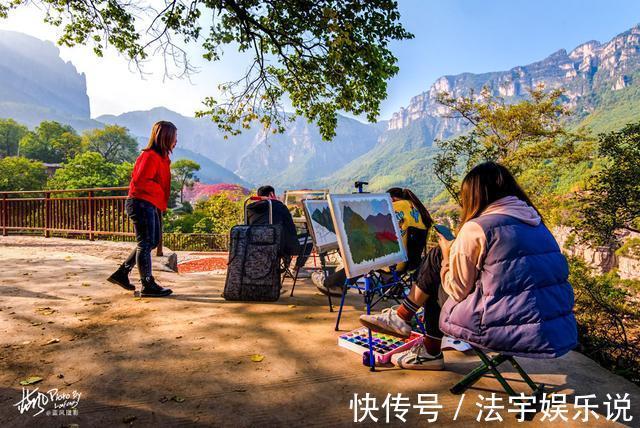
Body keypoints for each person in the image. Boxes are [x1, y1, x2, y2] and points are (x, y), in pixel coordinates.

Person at [360, 162, 577, 370]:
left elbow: (455, 289)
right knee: (440, 266)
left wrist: (447, 256)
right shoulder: (535, 221)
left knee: (437, 264)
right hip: (556, 327)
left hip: (502, 325)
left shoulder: (478, 228)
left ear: (474, 195)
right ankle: (411, 328)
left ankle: (410, 328)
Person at [312, 188, 432, 296]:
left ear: (392, 199)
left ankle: (329, 282)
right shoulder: (414, 207)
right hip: (411, 263)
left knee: (363, 256)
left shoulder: (396, 206)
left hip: (394, 262)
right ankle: (338, 284)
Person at [107, 121, 176, 297]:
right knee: (146, 243)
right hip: (141, 202)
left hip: (149, 203)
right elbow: (140, 181)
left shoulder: (161, 158)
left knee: (151, 242)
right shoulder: (150, 156)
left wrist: (160, 199)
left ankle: (122, 274)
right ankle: (147, 284)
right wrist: (160, 193)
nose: (176, 140)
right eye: (174, 137)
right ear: (165, 137)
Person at [246, 185, 313, 268]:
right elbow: (290, 228)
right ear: (271, 194)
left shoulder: (250, 208)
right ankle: (297, 268)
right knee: (310, 239)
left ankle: (285, 260)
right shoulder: (279, 206)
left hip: (256, 245)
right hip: (279, 247)